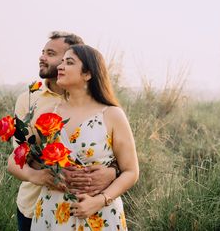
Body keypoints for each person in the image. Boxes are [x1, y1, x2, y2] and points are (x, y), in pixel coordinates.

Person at [7, 32, 117, 231]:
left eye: (51, 53)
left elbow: (116, 156)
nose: (43, 58)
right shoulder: (30, 101)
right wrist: (41, 175)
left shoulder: (100, 108)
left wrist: (112, 171)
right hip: (35, 206)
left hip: (88, 209)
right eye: (43, 52)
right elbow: (20, 154)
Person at [31, 44, 139, 230]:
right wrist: (43, 175)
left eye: (69, 62)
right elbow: (25, 158)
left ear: (87, 74)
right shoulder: (47, 114)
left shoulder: (112, 115)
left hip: (99, 214)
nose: (60, 67)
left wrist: (99, 201)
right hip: (52, 213)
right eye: (62, 61)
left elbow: (131, 171)